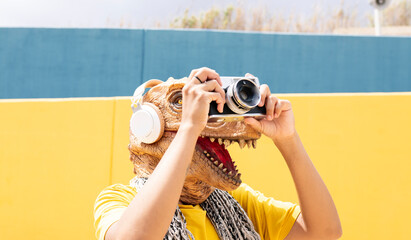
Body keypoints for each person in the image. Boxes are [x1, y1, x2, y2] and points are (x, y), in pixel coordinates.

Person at [94, 67, 342, 240]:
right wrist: (190, 127)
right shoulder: (117, 200)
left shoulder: (237, 202)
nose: (203, 116)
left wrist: (288, 140)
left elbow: (324, 231)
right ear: (147, 128)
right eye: (182, 102)